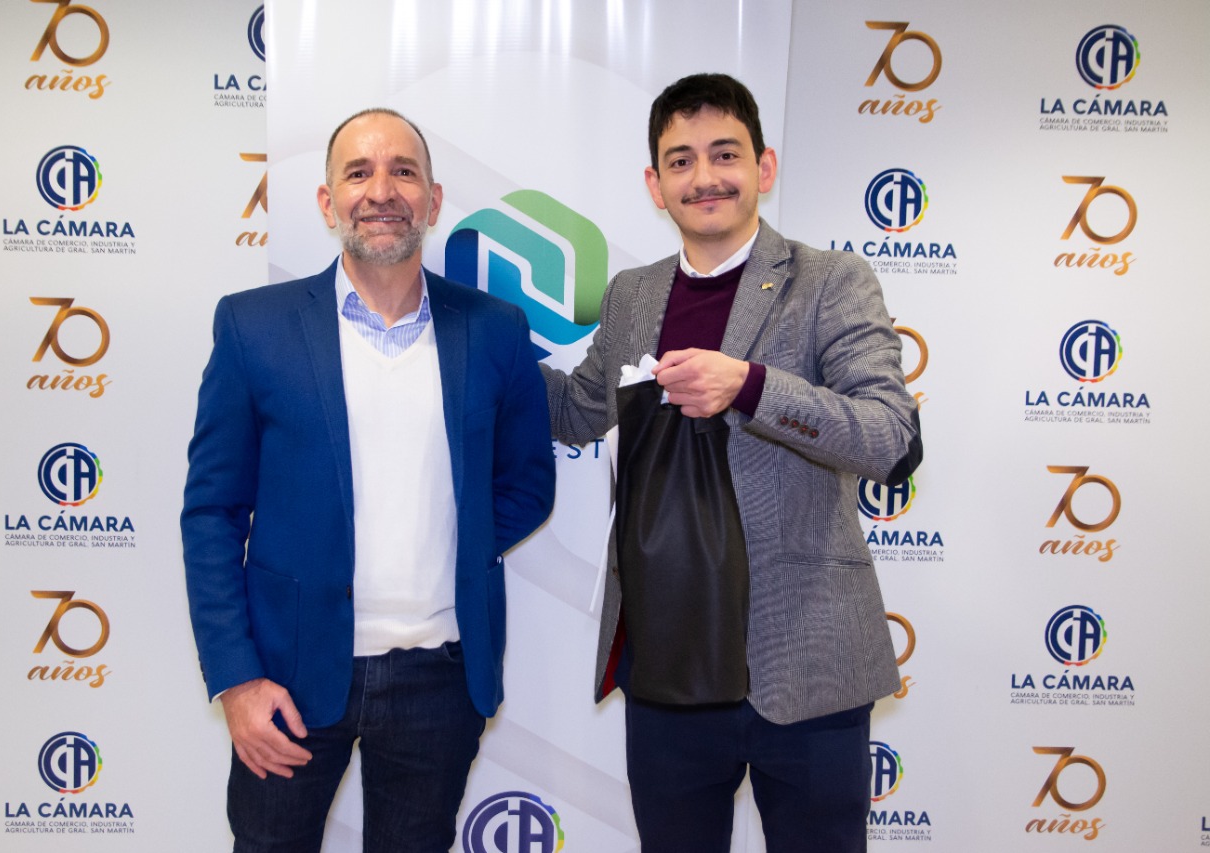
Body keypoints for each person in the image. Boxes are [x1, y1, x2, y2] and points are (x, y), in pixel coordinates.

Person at [541, 73, 923, 852]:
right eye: (680, 161)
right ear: (655, 184)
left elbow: (888, 437)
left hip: (807, 663)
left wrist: (749, 385)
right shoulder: (633, 294)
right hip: (668, 664)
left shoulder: (831, 281)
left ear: (764, 166)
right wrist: (471, 341)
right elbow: (581, 408)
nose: (704, 177)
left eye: (725, 154)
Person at [181, 108, 554, 852]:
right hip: (287, 677)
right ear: (328, 203)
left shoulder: (495, 329)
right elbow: (213, 513)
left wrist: (452, 543)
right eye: (359, 173)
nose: (381, 191)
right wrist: (236, 678)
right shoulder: (254, 326)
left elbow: (526, 485)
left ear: (433, 201)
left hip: (441, 680)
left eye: (402, 171)